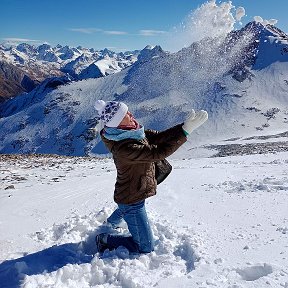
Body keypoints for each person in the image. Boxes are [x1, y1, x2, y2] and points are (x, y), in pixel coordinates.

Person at [94, 99, 208, 254]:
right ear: (118, 123)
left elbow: (158, 137)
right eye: (125, 115)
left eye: (127, 111)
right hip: (131, 199)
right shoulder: (124, 147)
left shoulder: (131, 131)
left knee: (126, 207)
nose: (131, 114)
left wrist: (183, 128)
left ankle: (112, 222)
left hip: (132, 191)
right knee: (145, 246)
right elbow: (157, 153)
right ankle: (104, 239)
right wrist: (185, 132)